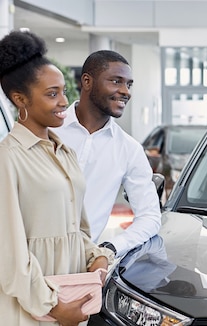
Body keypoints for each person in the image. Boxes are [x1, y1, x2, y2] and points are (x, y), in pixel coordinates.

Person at [0, 30, 113, 325]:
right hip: (31, 310)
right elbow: (9, 255)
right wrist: (52, 306)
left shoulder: (65, 153)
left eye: (64, 91)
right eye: (52, 94)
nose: (64, 101)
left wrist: (95, 256)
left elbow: (78, 230)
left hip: (72, 304)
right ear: (20, 99)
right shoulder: (7, 158)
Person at [54, 50, 161, 258]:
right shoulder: (47, 130)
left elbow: (150, 217)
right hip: (22, 258)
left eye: (128, 84)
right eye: (116, 81)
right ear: (87, 81)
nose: (125, 91)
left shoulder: (129, 149)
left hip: (80, 265)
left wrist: (109, 248)